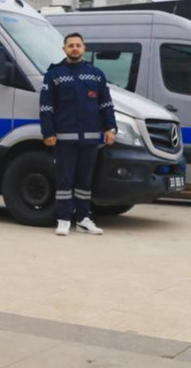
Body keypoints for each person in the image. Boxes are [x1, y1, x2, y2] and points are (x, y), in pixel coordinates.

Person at [40, 32, 116, 236]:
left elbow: (106, 103)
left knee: (84, 181)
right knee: (65, 181)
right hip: (64, 139)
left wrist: (111, 128)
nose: (75, 48)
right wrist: (48, 131)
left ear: (84, 48)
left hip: (91, 139)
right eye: (71, 45)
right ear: (64, 48)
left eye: (78, 45)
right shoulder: (54, 75)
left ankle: (83, 219)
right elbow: (46, 106)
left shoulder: (96, 74)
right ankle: (64, 219)